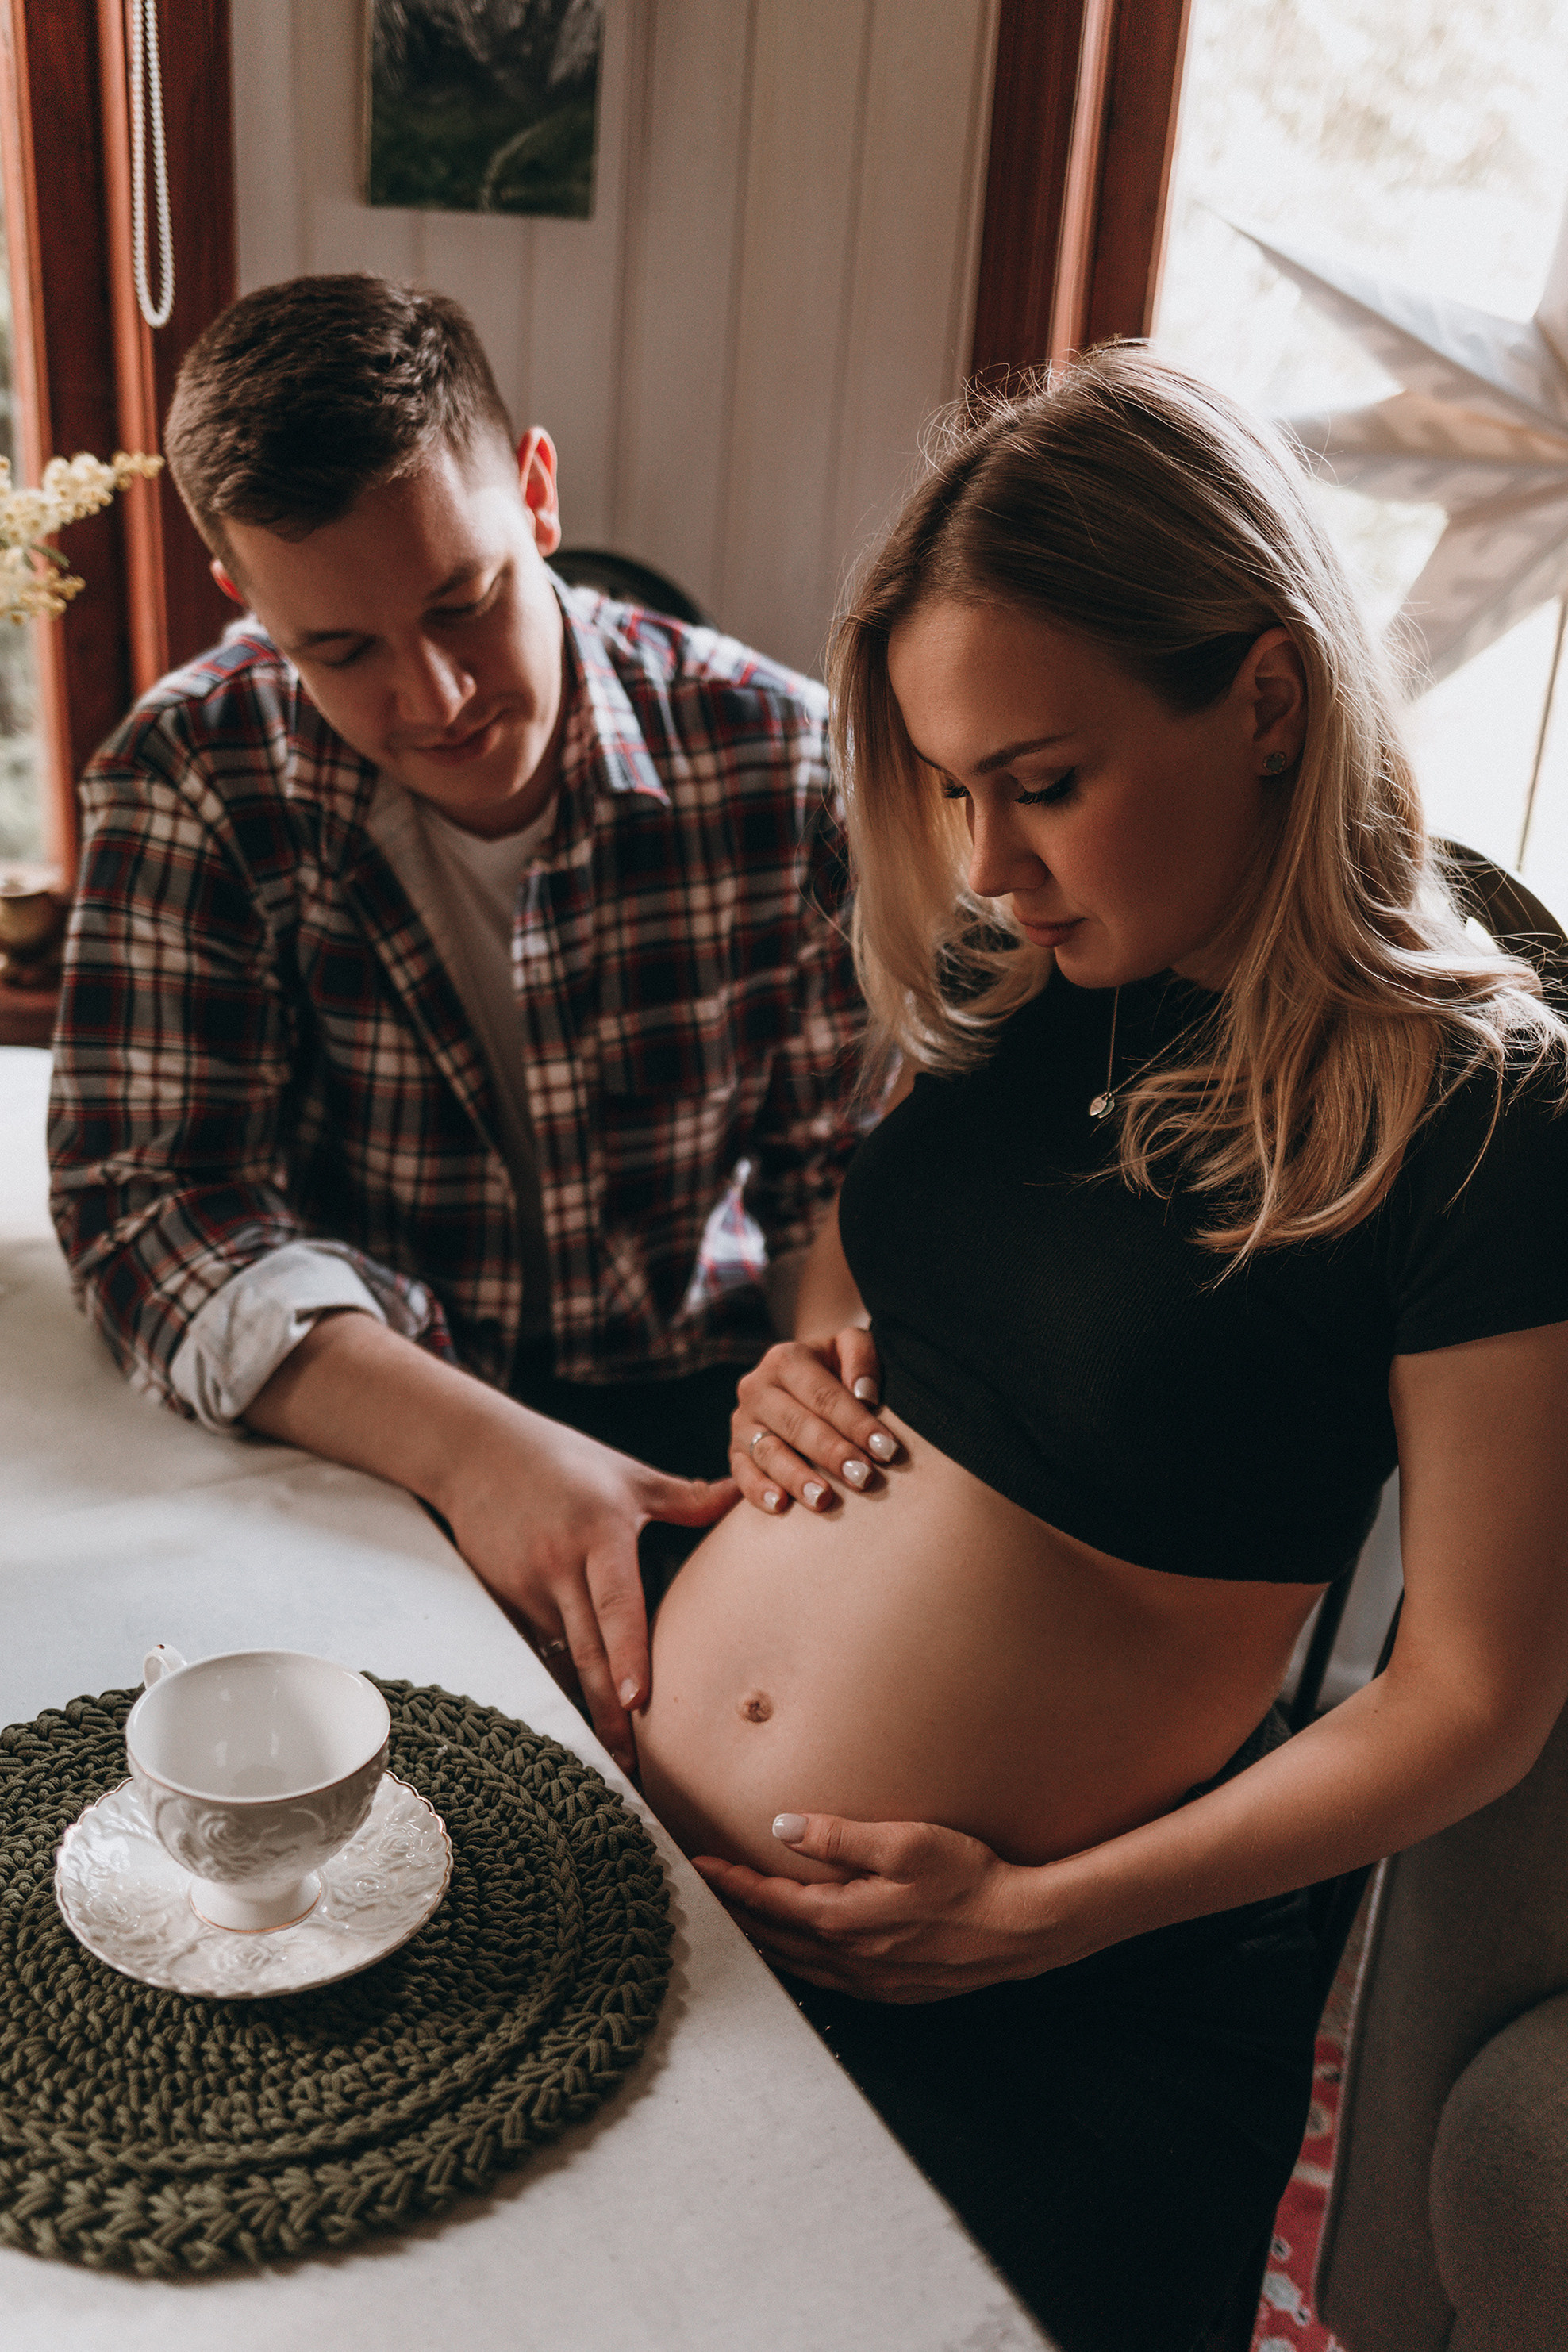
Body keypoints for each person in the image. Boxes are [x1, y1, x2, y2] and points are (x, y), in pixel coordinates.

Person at [631, 348, 1568, 2351]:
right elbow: (869, 1259)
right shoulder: (1033, 956)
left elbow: (1478, 1693)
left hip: (1051, 1998)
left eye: (1040, 783)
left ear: (1262, 696)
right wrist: (810, 1357)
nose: (985, 862)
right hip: (695, 1896)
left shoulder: (1480, 1096)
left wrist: (1030, 1916)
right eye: (954, 788)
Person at [48, 274, 866, 1779]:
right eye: (339, 650)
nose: (429, 697)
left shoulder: (790, 760)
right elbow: (144, 1205)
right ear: (241, 591)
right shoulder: (188, 772)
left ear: (536, 494)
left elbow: (838, 1179)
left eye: (461, 603)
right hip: (363, 1424)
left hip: (704, 1411)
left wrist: (835, 1411)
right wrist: (479, 1453)